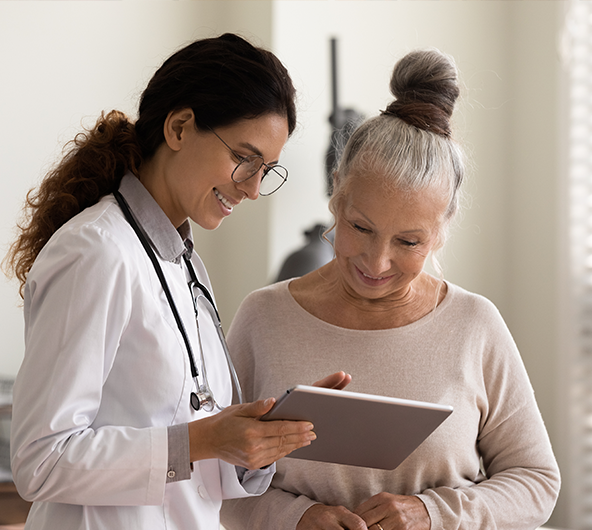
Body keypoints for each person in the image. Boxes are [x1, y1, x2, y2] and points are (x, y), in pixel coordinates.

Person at [220, 49, 560, 530]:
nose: (376, 262)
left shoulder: (474, 325)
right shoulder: (264, 317)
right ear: (336, 194)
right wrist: (295, 518)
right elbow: (216, 479)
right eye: (359, 227)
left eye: (408, 241)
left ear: (442, 230)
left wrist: (433, 514)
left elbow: (536, 481)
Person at [4, 33, 329, 530]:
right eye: (244, 158)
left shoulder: (185, 266)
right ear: (179, 127)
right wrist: (202, 440)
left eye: (266, 171)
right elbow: (41, 461)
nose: (252, 189)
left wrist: (257, 441)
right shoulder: (97, 252)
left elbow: (190, 469)